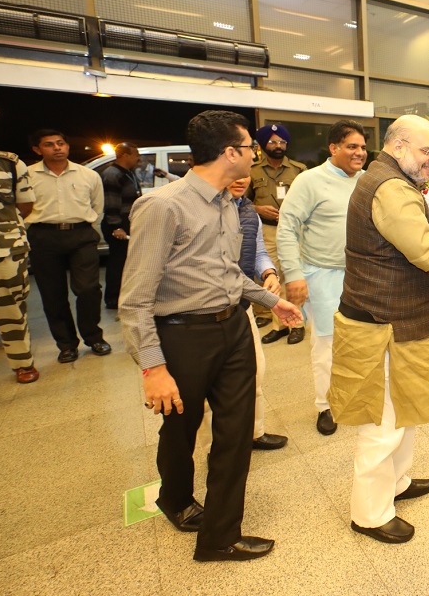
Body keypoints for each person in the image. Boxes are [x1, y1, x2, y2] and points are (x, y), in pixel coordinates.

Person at [120, 110, 303, 562]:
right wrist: (152, 367)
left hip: (233, 329)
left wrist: (267, 299)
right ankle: (176, 500)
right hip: (184, 336)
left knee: (236, 433)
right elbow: (134, 299)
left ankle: (220, 535)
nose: (254, 156)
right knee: (180, 429)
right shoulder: (164, 205)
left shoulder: (228, 203)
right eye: (249, 148)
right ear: (230, 153)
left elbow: (223, 272)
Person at [328, 115, 429, 544]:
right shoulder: (390, 187)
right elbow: (425, 251)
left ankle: (397, 484)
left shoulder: (391, 179)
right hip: (381, 323)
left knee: (405, 409)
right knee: (383, 423)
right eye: (426, 152)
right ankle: (371, 513)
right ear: (397, 147)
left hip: (401, 320)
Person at [276, 120, 367, 437]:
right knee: (326, 344)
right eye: (351, 146)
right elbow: (287, 229)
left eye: (363, 147)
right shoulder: (309, 181)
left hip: (361, 276)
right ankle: (325, 405)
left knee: (360, 341)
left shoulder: (368, 182)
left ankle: (352, 395)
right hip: (322, 274)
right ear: (333, 148)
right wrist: (294, 274)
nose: (359, 153)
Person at [24, 129, 110, 363]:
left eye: (61, 143)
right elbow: (20, 207)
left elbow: (97, 208)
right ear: (37, 149)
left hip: (81, 235)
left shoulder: (87, 175)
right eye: (49, 144)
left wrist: (89, 227)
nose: (57, 148)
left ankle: (94, 337)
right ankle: (66, 344)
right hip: (43, 236)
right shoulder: (27, 175)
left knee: (88, 289)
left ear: (67, 146)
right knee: (53, 294)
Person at [227, 175, 289, 451]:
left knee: (255, 371)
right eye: (233, 171)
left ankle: (255, 432)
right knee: (209, 394)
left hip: (243, 304)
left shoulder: (248, 210)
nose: (240, 179)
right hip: (205, 312)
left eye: (245, 173)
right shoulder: (208, 210)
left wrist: (268, 272)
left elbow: (258, 251)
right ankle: (213, 447)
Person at [248, 124, 307, 340]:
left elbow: (308, 200)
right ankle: (280, 325)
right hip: (267, 231)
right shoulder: (252, 170)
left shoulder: (299, 170)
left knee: (293, 276)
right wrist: (257, 208)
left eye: (282, 142)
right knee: (271, 280)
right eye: (273, 142)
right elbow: (241, 202)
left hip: (293, 231)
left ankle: (298, 325)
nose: (278, 146)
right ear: (263, 145)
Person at [0, 149, 38, 383]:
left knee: (9, 308)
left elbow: (25, 206)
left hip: (2, 248)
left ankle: (22, 363)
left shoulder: (8, 163)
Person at [100, 142, 142, 309]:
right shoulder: (112, 174)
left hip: (129, 219)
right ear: (124, 155)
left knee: (128, 260)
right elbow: (111, 202)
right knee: (117, 261)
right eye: (135, 154)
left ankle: (127, 295)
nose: (138, 158)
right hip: (117, 222)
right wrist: (116, 226)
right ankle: (113, 298)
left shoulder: (128, 173)